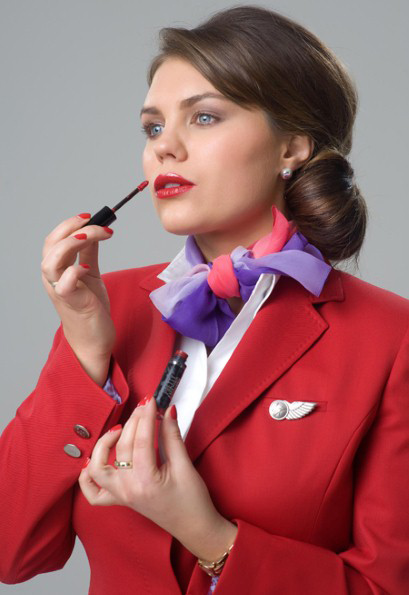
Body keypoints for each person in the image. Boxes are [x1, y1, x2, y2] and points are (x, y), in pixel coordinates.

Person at [1, 5, 409, 594]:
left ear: (292, 148)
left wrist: (210, 537)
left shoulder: (391, 339)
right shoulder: (107, 304)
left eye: (205, 117)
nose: (165, 148)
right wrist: (86, 353)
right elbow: (10, 553)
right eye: (152, 128)